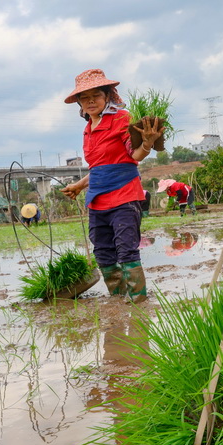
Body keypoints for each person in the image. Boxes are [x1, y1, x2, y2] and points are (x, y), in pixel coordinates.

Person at [61, 69, 163, 299]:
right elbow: (99, 167)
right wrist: (79, 185)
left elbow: (134, 155)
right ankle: (117, 299)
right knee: (103, 253)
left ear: (107, 95)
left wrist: (147, 143)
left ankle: (138, 301)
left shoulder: (121, 118)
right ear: (79, 102)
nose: (90, 101)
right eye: (84, 97)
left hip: (124, 196)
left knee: (126, 250)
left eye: (96, 95)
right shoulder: (88, 129)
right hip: (98, 201)